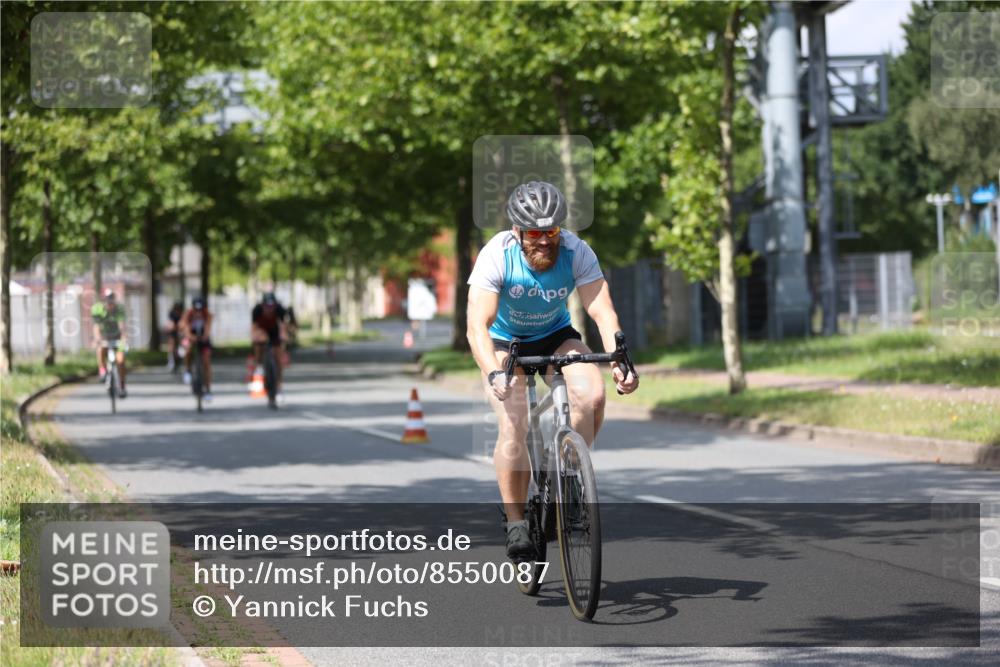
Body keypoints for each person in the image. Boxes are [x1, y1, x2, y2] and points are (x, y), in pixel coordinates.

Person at [466, 181, 639, 561]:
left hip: (555, 336)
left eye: (552, 231)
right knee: (515, 421)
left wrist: (619, 360)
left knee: (592, 395)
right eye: (534, 233)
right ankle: (515, 522)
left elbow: (602, 311)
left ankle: (568, 472)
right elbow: (477, 325)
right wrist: (496, 373)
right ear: (517, 231)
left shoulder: (576, 251)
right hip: (504, 344)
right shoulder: (496, 254)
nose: (544, 241)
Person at [251, 292, 287, 403]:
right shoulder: (257, 310)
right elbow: (254, 328)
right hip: (261, 330)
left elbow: (282, 325)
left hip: (274, 331)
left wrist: (283, 336)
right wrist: (257, 337)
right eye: (267, 306)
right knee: (258, 344)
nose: (270, 309)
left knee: (278, 356)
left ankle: (279, 385)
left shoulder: (280, 310)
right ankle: (259, 365)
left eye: (272, 307)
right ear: (263, 305)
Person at [91, 288, 128, 398]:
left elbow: (122, 326)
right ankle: (102, 370)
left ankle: (121, 385)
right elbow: (96, 326)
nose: (109, 302)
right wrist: (97, 339)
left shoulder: (119, 309)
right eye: (107, 299)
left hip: (117, 337)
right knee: (100, 349)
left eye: (111, 298)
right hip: (104, 338)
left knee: (120, 360)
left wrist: (124, 339)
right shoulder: (97, 309)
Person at [180, 296, 214, 402]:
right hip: (190, 336)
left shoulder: (208, 315)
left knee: (207, 362)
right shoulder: (188, 314)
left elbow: (208, 328)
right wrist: (190, 337)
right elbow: (185, 327)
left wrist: (205, 337)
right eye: (196, 309)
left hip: (203, 337)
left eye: (201, 309)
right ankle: (187, 370)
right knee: (187, 348)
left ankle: (208, 390)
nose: (198, 312)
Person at [165, 301, 184, 372]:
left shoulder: (183, 314)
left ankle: (181, 353)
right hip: (173, 331)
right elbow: (171, 324)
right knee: (171, 345)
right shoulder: (172, 314)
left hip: (180, 331)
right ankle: (171, 360)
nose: (177, 311)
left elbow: (183, 324)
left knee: (183, 342)